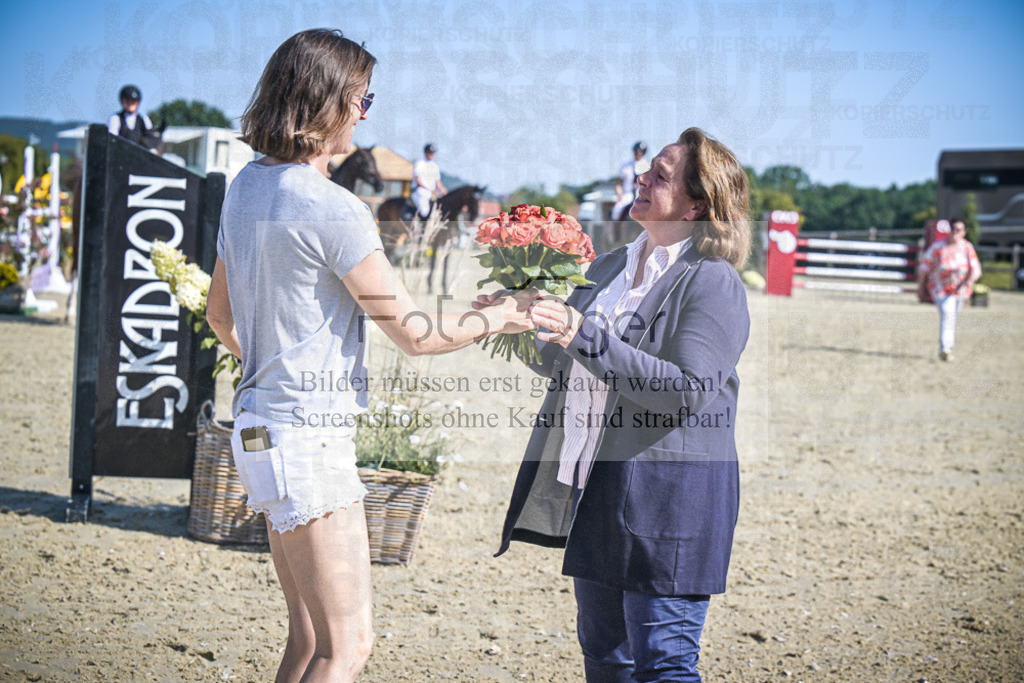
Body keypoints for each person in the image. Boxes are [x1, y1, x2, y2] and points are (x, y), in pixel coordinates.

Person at [205, 29, 534, 682]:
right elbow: (415, 333)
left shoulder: (244, 186)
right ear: (326, 99)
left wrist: (272, 370)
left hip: (256, 428)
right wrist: (503, 312)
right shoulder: (335, 208)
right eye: (362, 97)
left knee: (306, 638)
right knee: (347, 645)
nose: (365, 112)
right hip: (307, 438)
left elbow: (220, 316)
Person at [491, 128, 751, 681]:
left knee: (664, 666)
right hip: (599, 490)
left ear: (697, 205)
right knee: (605, 659)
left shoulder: (712, 281)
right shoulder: (607, 267)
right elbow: (561, 360)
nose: (641, 178)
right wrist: (517, 320)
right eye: (646, 170)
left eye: (660, 175)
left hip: (670, 502)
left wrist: (579, 332)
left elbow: (685, 389)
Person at [917, 219, 981, 361]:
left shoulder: (967, 247)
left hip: (961, 289)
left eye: (959, 230)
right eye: (954, 229)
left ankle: (947, 345)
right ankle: (945, 348)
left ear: (964, 232)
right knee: (948, 314)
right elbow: (924, 268)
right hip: (941, 288)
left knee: (953, 316)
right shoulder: (938, 247)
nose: (956, 232)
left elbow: (976, 268)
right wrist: (921, 287)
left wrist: (970, 281)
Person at [610, 141, 650, 222]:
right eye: (635, 151)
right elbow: (619, 183)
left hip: (641, 194)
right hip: (627, 194)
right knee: (616, 211)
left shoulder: (647, 166)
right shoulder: (626, 166)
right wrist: (619, 195)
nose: (636, 153)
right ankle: (615, 231)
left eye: (639, 152)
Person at [411, 143, 446, 220]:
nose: (432, 154)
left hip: (433, 193)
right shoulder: (420, 163)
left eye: (433, 153)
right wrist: (431, 190)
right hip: (421, 192)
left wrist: (444, 191)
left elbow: (438, 182)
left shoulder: (435, 166)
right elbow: (418, 181)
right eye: (430, 152)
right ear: (426, 153)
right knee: (424, 211)